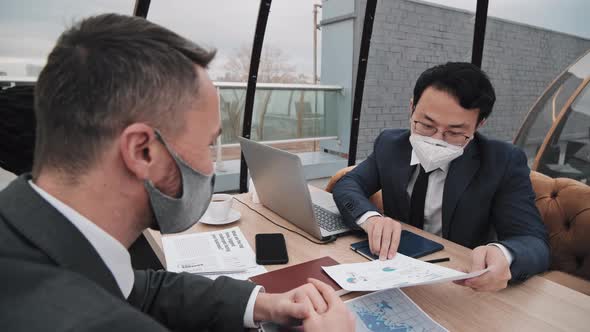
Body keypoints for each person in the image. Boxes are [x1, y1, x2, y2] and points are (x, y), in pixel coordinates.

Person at [0, 14, 354, 331]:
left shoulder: (30, 234)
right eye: (206, 145)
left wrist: (261, 303)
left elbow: (137, 289)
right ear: (143, 151)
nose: (210, 166)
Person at [333, 62, 550, 292]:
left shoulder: (502, 162)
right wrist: (371, 219)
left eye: (455, 132)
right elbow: (349, 184)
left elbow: (533, 242)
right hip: (391, 270)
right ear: (412, 108)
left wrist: (504, 254)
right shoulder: (391, 144)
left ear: (479, 125)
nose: (437, 139)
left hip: (459, 283)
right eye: (426, 125)